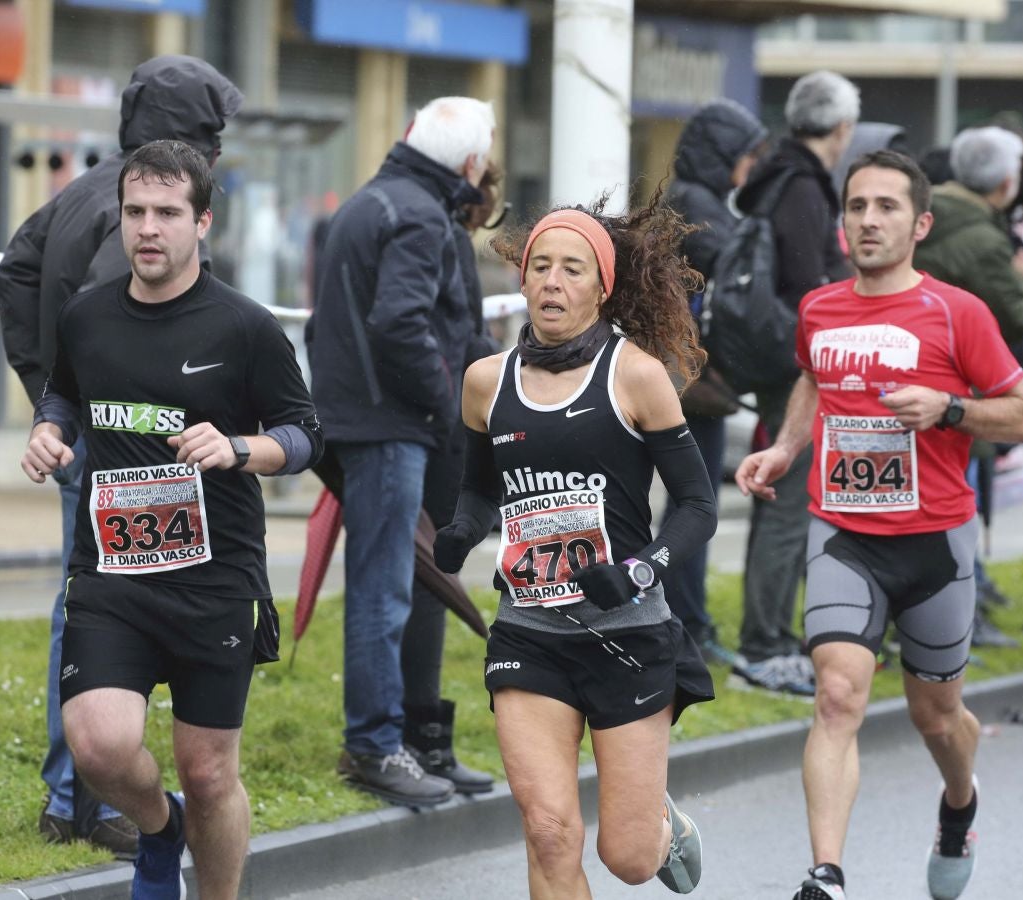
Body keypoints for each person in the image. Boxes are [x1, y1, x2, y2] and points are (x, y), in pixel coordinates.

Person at [19, 140, 321, 900]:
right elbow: (63, 392)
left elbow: (306, 434)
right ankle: (159, 832)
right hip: (111, 573)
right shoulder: (87, 316)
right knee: (98, 747)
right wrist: (50, 429)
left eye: (167, 213)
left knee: (210, 771)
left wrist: (240, 447)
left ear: (203, 221)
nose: (148, 229)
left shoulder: (244, 328)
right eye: (135, 213)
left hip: (214, 579)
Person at [736, 150, 1023, 900]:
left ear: (921, 223)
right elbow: (813, 375)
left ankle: (960, 805)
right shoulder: (820, 308)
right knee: (837, 695)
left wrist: (951, 409)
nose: (869, 220)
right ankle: (827, 875)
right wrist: (784, 446)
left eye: (887, 207)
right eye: (857, 206)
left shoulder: (958, 313)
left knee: (937, 719)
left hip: (935, 544)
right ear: (842, 223)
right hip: (845, 536)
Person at [433, 195, 718, 897]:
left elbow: (698, 504)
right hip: (530, 633)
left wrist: (641, 571)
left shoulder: (637, 376)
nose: (553, 282)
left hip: (626, 635)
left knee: (628, 859)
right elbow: (478, 489)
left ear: (602, 287)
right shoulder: (483, 382)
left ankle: (661, 824)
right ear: (522, 280)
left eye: (573, 269)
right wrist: (464, 529)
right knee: (550, 831)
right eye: (541, 268)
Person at [0, 54, 242, 855]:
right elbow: (122, 327)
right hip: (123, 454)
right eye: (215, 135)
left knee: (83, 606)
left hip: (86, 440)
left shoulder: (87, 190)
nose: (219, 151)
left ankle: (69, 797)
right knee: (106, 617)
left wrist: (46, 399)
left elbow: (17, 267)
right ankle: (91, 800)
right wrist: (70, 409)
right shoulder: (148, 212)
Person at [307, 96, 495, 807]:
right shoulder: (419, 213)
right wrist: (447, 406)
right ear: (471, 164)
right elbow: (400, 323)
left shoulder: (373, 200)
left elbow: (334, 323)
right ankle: (376, 746)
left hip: (363, 419)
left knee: (391, 588)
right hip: (391, 427)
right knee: (384, 594)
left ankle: (396, 741)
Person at [913, 126, 1023, 648]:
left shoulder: (932, 212)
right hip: (954, 392)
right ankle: (951, 620)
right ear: (1006, 182)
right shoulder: (985, 236)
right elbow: (1015, 312)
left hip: (918, 379)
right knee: (953, 505)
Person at [729, 70, 857, 697]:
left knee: (776, 498)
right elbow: (813, 288)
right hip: (797, 363)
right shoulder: (804, 186)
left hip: (771, 353)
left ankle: (768, 633)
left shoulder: (772, 173)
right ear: (842, 128)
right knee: (789, 506)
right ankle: (767, 643)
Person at [397, 163, 506, 795]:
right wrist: (454, 404)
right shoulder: (436, 231)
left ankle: (417, 733)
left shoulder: (428, 224)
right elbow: (440, 333)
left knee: (423, 580)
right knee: (428, 580)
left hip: (432, 421)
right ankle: (418, 736)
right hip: (434, 424)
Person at [663, 98, 768, 667]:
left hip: (681, 378)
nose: (749, 168)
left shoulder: (690, 199)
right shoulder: (698, 205)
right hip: (686, 382)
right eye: (746, 156)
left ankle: (682, 620)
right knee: (693, 504)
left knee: (684, 502)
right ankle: (684, 625)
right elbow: (738, 265)